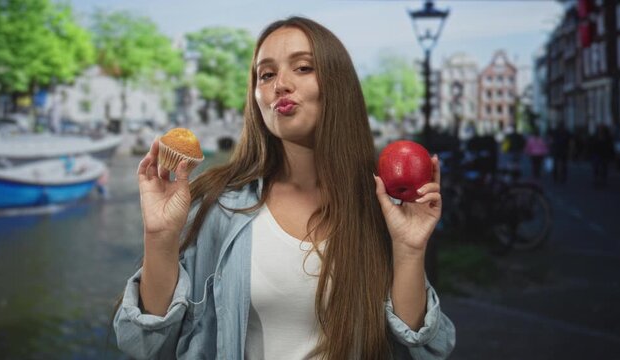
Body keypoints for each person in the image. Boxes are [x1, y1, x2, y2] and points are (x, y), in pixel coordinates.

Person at [113, 17, 455, 359]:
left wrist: (409, 251)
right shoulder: (217, 205)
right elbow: (146, 345)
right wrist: (159, 237)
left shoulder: (380, 207)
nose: (281, 85)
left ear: (339, 84)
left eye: (303, 68)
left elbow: (422, 353)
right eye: (266, 74)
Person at [588, 124, 615, 188]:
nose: (601, 130)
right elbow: (592, 145)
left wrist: (611, 155)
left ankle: (603, 179)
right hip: (596, 154)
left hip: (604, 154)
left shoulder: (607, 137)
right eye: (600, 129)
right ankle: (596, 179)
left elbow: (610, 146)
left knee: (604, 167)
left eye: (602, 129)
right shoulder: (595, 137)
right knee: (596, 166)